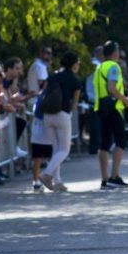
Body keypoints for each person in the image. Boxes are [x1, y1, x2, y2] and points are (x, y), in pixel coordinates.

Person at [40, 52, 82, 192]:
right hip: (62, 115)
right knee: (64, 150)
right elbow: (75, 104)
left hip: (47, 115)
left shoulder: (52, 76)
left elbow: (44, 92)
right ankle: (47, 175)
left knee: (56, 149)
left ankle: (58, 182)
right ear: (74, 64)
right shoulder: (75, 80)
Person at [93, 41, 128, 190]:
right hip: (113, 108)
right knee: (121, 140)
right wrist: (125, 99)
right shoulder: (113, 66)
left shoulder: (99, 67)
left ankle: (104, 179)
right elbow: (112, 88)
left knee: (104, 143)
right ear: (115, 53)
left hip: (100, 108)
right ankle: (114, 176)